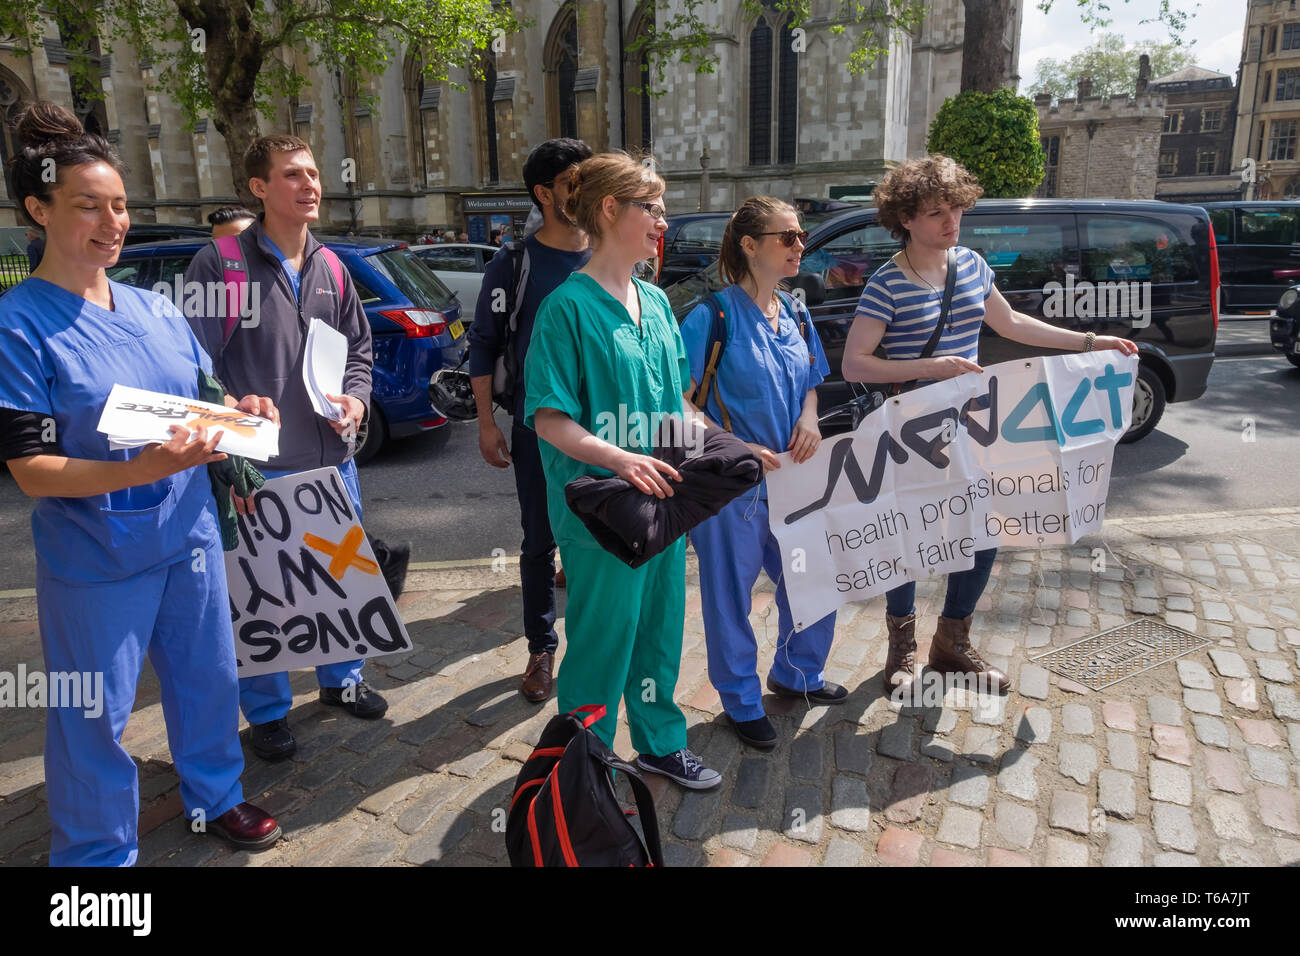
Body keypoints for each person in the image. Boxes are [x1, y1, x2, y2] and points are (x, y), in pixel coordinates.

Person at [0, 101, 282, 865]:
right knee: (91, 714)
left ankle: (216, 795)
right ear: (38, 209)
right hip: (96, 556)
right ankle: (96, 854)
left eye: (120, 205)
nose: (112, 222)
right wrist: (138, 469)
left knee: (206, 678)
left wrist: (240, 414)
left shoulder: (157, 309)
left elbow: (203, 399)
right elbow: (31, 469)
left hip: (185, 535)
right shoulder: (18, 325)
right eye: (88, 206)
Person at [842, 155, 1139, 696]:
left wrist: (1092, 342)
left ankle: (952, 643)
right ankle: (902, 648)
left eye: (956, 209)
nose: (950, 222)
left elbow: (1012, 323)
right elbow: (855, 364)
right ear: (905, 218)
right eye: (936, 213)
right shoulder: (886, 283)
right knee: (909, 535)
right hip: (912, 431)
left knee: (985, 530)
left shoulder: (973, 265)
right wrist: (932, 367)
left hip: (974, 426)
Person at [184, 134, 389, 762]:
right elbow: (192, 367)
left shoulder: (331, 265)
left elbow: (359, 348)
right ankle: (267, 712)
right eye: (293, 175)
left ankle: (342, 681)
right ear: (258, 187)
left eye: (313, 173)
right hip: (256, 472)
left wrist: (356, 400)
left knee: (338, 577)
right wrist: (234, 410)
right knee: (261, 595)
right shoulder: (219, 265)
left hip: (333, 462)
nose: (309, 185)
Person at [525, 151, 722, 789]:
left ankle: (660, 743)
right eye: (652, 208)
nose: (662, 221)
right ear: (611, 210)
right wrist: (620, 458)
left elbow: (675, 407)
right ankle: (585, 762)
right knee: (602, 637)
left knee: (661, 625)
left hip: (664, 496)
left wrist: (731, 447)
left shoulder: (657, 303)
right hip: (601, 505)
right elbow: (549, 419)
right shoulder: (565, 309)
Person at [680, 197, 841, 751]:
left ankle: (798, 675)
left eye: (801, 236)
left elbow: (813, 381)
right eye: (788, 237)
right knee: (731, 594)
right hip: (733, 485)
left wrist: (809, 417)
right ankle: (741, 701)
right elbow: (678, 404)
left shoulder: (796, 312)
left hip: (796, 477)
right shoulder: (711, 317)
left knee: (815, 577)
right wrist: (735, 445)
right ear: (750, 246)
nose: (801, 246)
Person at [467, 137, 592, 702]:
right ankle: (542, 650)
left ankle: (594, 645)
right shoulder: (513, 263)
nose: (586, 188)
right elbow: (484, 343)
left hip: (606, 430)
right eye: (573, 181)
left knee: (599, 538)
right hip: (535, 428)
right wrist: (485, 424)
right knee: (539, 541)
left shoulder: (613, 253)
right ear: (544, 194)